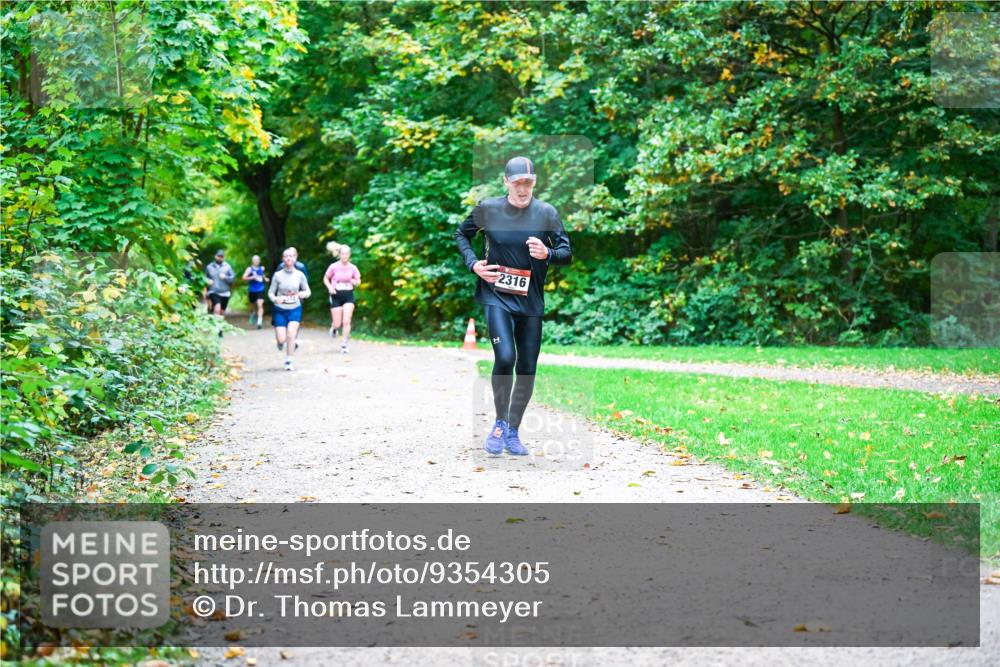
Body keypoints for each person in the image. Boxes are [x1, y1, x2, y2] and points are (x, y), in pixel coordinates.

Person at [455, 156, 572, 456]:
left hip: (530, 301)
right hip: (496, 295)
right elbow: (461, 235)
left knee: (528, 368)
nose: (523, 189)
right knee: (505, 356)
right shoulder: (488, 209)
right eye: (517, 182)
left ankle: (513, 430)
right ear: (506, 182)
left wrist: (547, 253)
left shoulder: (546, 213)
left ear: (535, 183)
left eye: (528, 183)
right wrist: (473, 264)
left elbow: (566, 253)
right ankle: (499, 423)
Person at [268, 247, 311, 371]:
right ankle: (282, 342)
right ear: (283, 259)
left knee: (291, 335)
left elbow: (308, 291)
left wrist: (303, 294)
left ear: (295, 258)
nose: (288, 258)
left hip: (295, 308)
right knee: (282, 339)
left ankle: (289, 361)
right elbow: (270, 293)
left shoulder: (300, 275)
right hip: (280, 309)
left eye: (291, 256)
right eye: (286, 256)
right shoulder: (277, 275)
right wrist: (276, 299)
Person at [322, 243, 361, 354]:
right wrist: (330, 287)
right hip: (336, 295)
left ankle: (344, 344)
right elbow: (325, 278)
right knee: (337, 323)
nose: (345, 256)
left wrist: (355, 282)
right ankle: (334, 328)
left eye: (347, 254)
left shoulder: (353, 268)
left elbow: (358, 280)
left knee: (347, 320)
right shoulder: (333, 266)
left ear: (349, 255)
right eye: (343, 254)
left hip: (348, 295)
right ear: (339, 255)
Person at [205, 249, 235, 336]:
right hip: (213, 291)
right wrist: (207, 281)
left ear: (224, 257)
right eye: (218, 256)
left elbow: (232, 279)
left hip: (225, 292)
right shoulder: (209, 267)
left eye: (221, 256)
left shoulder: (228, 267)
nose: (220, 258)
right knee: (217, 308)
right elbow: (204, 278)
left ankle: (220, 327)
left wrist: (225, 277)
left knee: (222, 311)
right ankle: (217, 328)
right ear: (215, 256)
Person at [242, 255, 268, 328]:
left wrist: (266, 279)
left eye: (257, 260)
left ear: (259, 261)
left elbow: (262, 276)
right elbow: (243, 277)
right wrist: (252, 277)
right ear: (252, 261)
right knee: (252, 305)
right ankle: (252, 313)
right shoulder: (249, 269)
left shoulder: (261, 268)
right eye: (255, 260)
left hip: (260, 289)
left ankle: (259, 322)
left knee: (260, 305)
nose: (256, 261)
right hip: (252, 290)